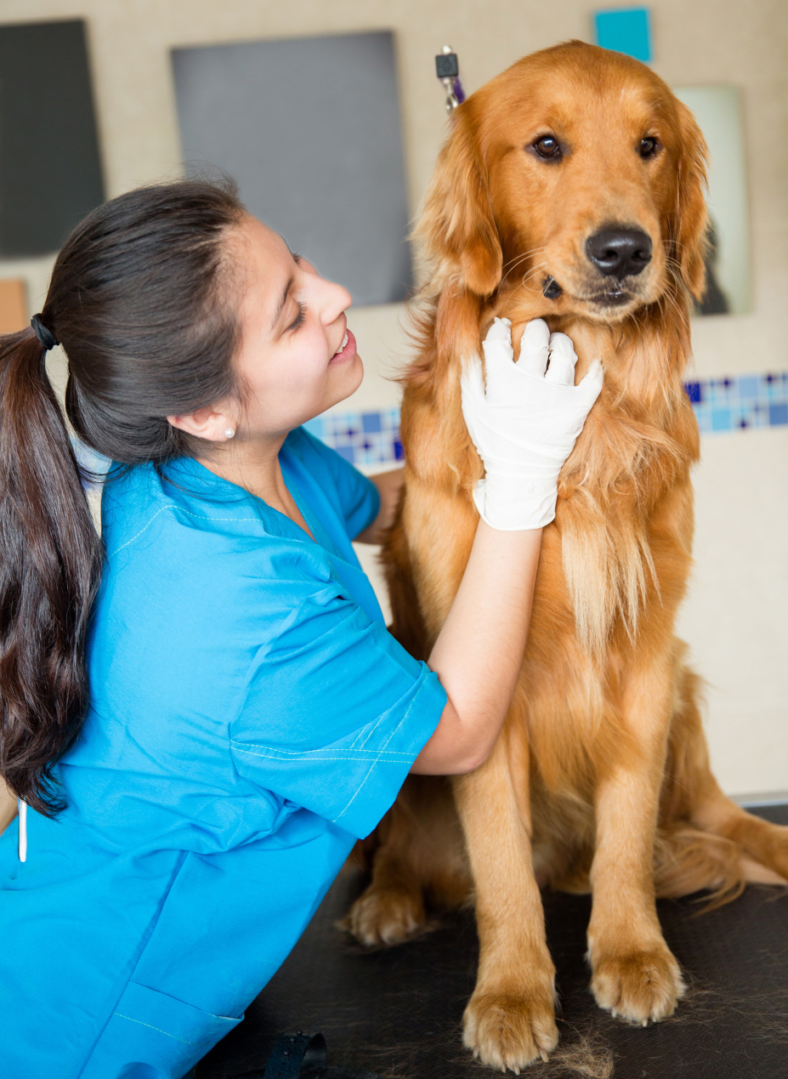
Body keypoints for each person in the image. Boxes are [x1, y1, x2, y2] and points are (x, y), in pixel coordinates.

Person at [0, 179, 602, 1079]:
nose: (335, 297)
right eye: (291, 314)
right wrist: (521, 482)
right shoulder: (238, 618)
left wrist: (475, 431)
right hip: (77, 1025)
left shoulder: (241, 461)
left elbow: (386, 504)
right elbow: (461, 730)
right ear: (206, 408)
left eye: (301, 266)